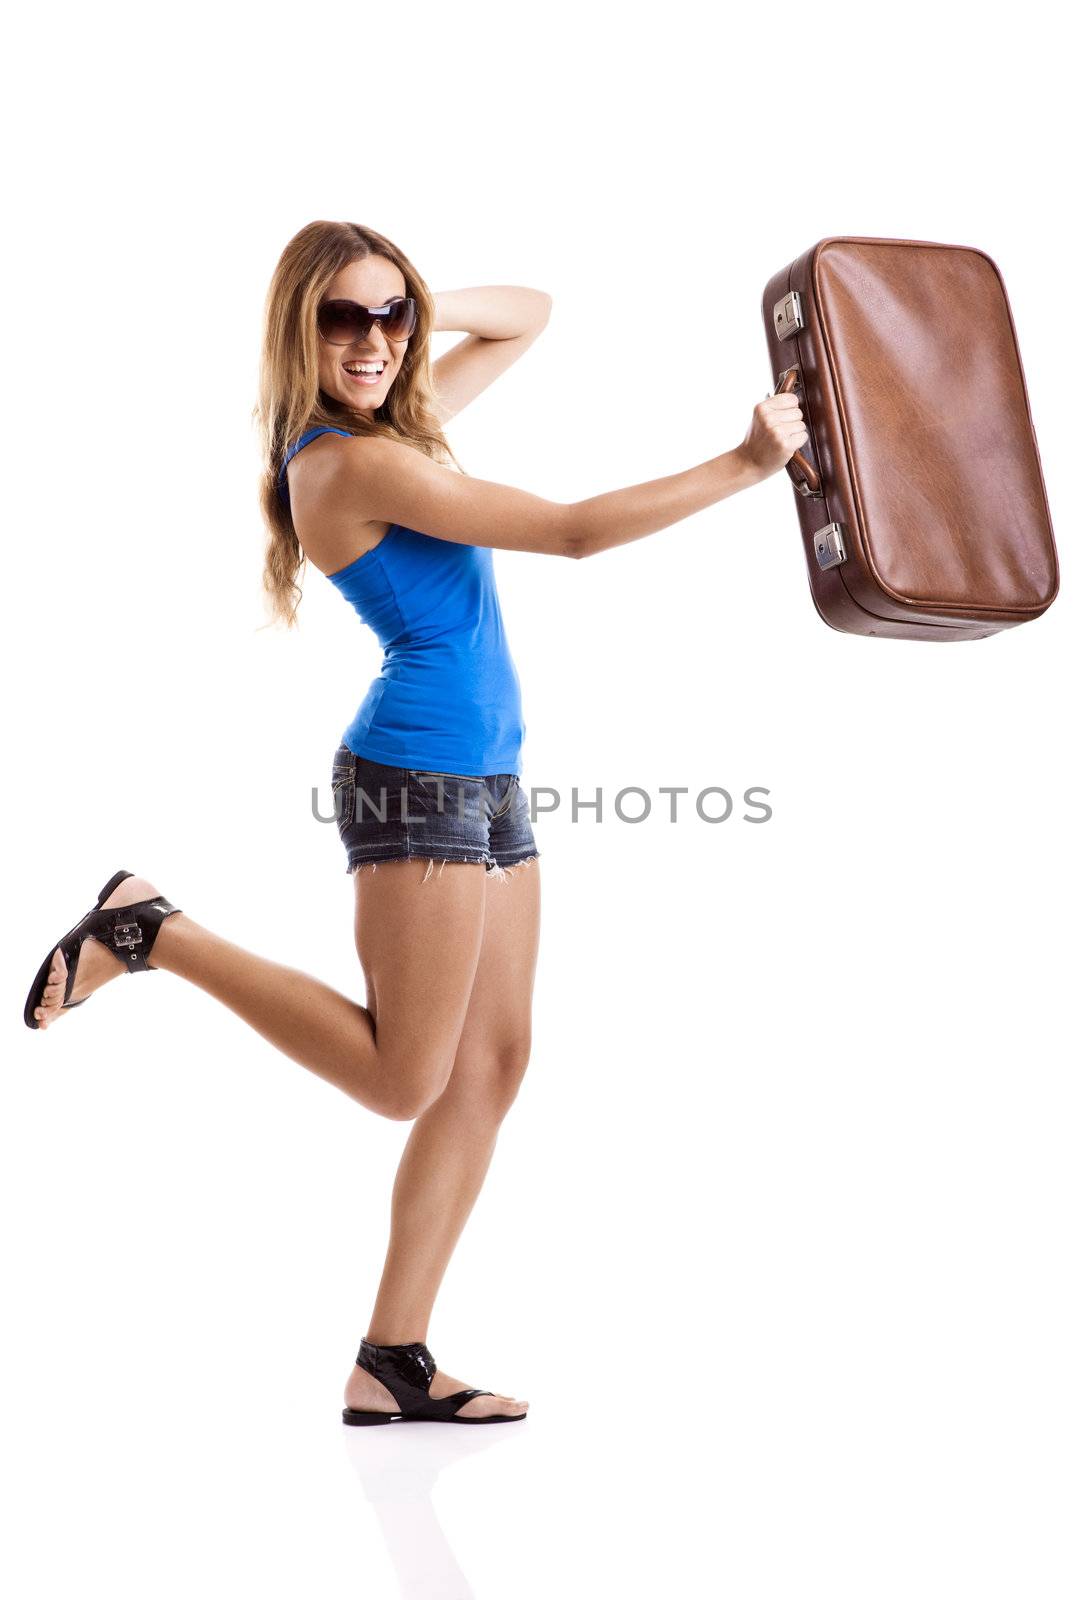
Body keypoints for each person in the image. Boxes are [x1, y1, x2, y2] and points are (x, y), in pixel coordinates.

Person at [23, 220, 807, 1425]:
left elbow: (530, 308)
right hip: (416, 778)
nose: (376, 338)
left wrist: (399, 327)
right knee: (404, 1077)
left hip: (486, 775)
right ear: (298, 328)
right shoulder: (351, 464)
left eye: (392, 314)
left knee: (488, 1067)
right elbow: (571, 532)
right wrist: (743, 465)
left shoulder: (390, 415)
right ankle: (152, 930)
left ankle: (391, 1360)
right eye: (343, 317)